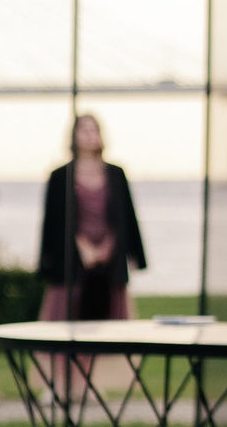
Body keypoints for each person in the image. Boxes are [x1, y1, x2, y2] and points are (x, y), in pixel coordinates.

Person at [38, 113, 147, 322]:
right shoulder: (60, 176)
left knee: (112, 319)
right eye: (84, 129)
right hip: (72, 258)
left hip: (110, 259)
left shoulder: (116, 173)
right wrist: (82, 247)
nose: (90, 135)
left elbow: (125, 217)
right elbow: (53, 222)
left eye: (94, 129)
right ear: (73, 136)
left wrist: (109, 247)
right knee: (67, 315)